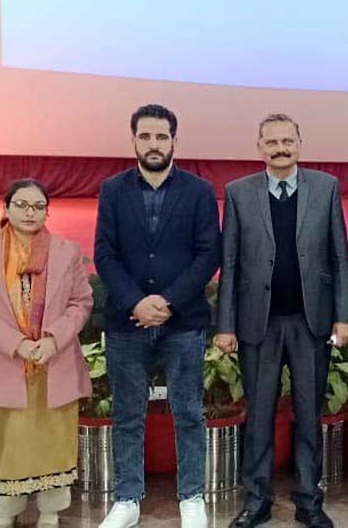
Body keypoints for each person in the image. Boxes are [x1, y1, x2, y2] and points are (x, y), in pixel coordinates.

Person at [214, 113, 348, 528]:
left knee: (309, 415)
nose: (280, 148)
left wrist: (343, 316)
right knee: (258, 416)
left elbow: (340, 257)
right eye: (271, 141)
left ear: (300, 144)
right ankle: (257, 500)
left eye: (287, 140)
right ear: (259, 147)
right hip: (260, 324)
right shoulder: (238, 193)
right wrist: (225, 323)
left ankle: (310, 500)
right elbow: (231, 262)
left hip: (311, 323)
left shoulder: (325, 187)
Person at [94, 104, 221, 528]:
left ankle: (192, 497)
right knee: (128, 413)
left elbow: (208, 256)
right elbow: (105, 254)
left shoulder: (200, 191)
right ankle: (127, 499)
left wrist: (167, 302)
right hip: (126, 322)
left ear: (174, 142)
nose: (153, 144)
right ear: (133, 140)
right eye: (145, 136)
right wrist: (136, 302)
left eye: (161, 137)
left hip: (182, 322)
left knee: (189, 411)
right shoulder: (112, 190)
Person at [0, 179, 94, 528]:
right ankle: (8, 512)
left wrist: (53, 339)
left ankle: (51, 510)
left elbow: (81, 303)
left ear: (47, 211)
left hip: (56, 359)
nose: (29, 212)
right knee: (10, 441)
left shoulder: (67, 251)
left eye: (37, 206)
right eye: (21, 205)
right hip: (6, 361)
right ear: (5, 209)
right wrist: (16, 343)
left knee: (55, 439)